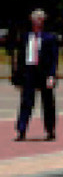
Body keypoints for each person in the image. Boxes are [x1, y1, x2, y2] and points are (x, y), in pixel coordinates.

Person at [11, 9, 60, 141]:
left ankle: (50, 130)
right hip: (29, 72)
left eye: (40, 19)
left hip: (44, 73)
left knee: (48, 103)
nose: (38, 21)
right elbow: (20, 58)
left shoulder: (49, 38)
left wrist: (51, 75)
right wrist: (17, 77)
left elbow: (54, 59)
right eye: (36, 19)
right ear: (31, 20)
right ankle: (21, 131)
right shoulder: (26, 37)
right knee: (26, 102)